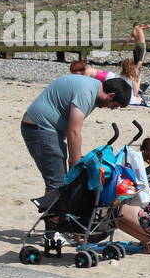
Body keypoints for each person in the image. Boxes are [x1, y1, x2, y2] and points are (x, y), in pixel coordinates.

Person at [21, 73, 131, 213]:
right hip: (40, 129)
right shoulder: (86, 93)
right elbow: (73, 130)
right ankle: (52, 232)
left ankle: (59, 226)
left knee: (61, 181)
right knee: (57, 183)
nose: (111, 108)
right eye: (114, 106)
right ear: (111, 95)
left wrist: (75, 160)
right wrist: (76, 163)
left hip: (46, 129)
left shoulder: (92, 87)